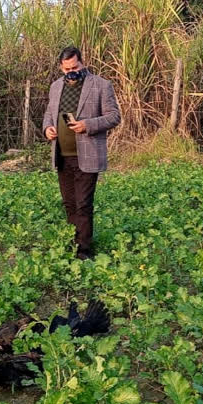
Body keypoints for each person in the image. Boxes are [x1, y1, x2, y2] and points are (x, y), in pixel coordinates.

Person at [43, 47, 121, 260]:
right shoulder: (56, 86)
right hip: (62, 155)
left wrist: (87, 125)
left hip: (88, 155)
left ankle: (84, 252)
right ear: (61, 67)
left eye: (75, 67)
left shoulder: (101, 85)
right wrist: (48, 128)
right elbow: (49, 114)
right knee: (69, 203)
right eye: (67, 69)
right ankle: (73, 241)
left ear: (83, 63)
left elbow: (114, 117)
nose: (71, 72)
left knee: (83, 203)